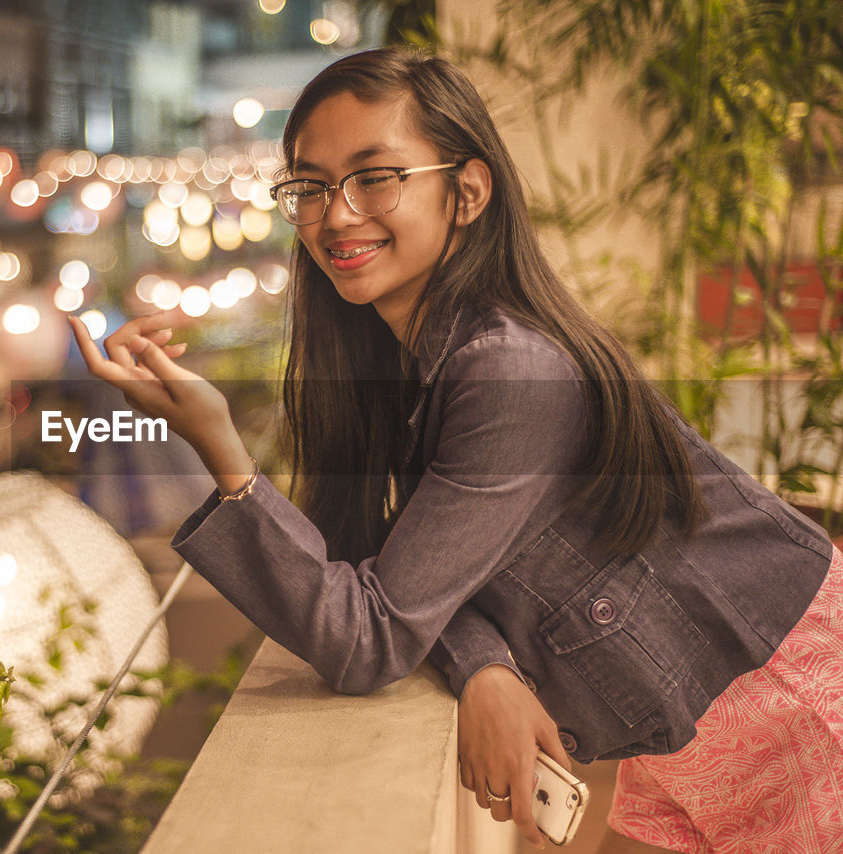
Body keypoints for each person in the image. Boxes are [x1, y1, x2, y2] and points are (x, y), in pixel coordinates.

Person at [69, 46, 840, 853]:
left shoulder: (512, 371)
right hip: (701, 731)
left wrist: (220, 449)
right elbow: (401, 566)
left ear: (466, 192)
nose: (336, 215)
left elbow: (369, 635)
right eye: (310, 185)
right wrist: (483, 666)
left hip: (793, 706)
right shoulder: (402, 360)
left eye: (375, 177)